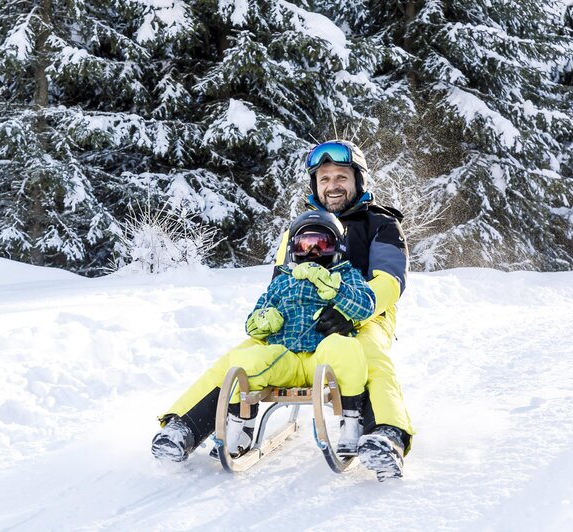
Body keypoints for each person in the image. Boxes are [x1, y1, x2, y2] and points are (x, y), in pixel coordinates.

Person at [152, 140, 414, 481]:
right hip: (299, 315)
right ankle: (183, 427)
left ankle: (387, 435)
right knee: (244, 353)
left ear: (357, 180)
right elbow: (280, 280)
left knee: (369, 355)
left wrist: (350, 312)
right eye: (324, 178)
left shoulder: (381, 224)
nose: (332, 185)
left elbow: (390, 282)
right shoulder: (300, 228)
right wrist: (269, 319)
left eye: (341, 177)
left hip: (366, 315)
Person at [151, 210, 377, 463]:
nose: (312, 252)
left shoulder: (346, 275)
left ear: (336, 248)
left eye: (321, 245)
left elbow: (367, 305)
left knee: (346, 348)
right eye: (306, 245)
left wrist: (335, 287)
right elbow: (253, 320)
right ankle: (242, 426)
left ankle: (351, 424)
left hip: (323, 357)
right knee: (245, 360)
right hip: (285, 358)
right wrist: (264, 320)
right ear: (294, 249)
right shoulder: (282, 281)